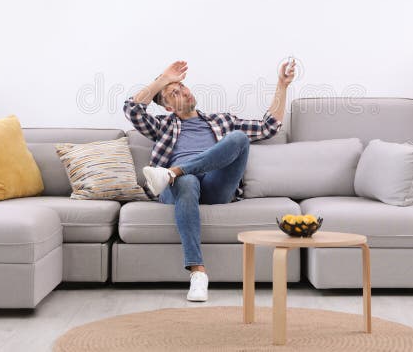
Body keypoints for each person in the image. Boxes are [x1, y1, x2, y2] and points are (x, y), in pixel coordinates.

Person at [122, 59, 296, 301]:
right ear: (169, 107)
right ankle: (198, 274)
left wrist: (282, 85)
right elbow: (132, 109)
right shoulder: (162, 126)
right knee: (188, 181)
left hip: (216, 186)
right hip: (180, 189)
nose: (183, 91)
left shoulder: (222, 121)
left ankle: (174, 171)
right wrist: (163, 79)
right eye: (174, 92)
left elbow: (269, 127)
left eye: (182, 86)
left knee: (238, 138)